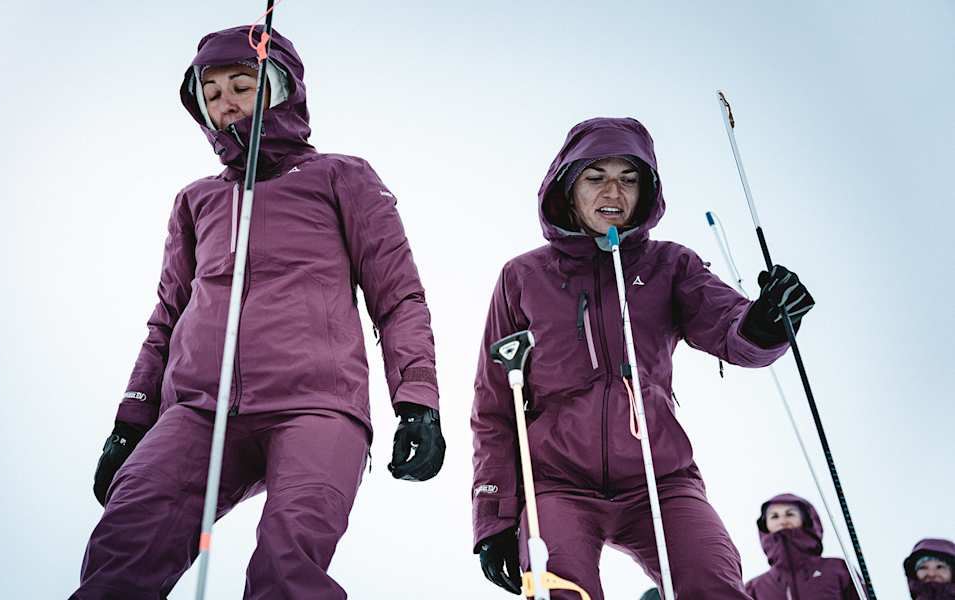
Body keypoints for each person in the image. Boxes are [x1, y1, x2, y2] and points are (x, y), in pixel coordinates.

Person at [72, 25, 444, 600]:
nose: (226, 100)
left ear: (280, 89)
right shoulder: (197, 200)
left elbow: (398, 298)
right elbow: (167, 317)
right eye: (211, 91)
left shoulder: (340, 177)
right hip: (198, 409)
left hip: (317, 406)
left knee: (288, 562)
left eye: (242, 84)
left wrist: (417, 401)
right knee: (126, 538)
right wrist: (130, 421)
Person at [471, 117, 815, 599]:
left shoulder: (670, 265)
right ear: (567, 187)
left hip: (661, 480)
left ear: (646, 190)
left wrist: (765, 325)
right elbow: (493, 408)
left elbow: (733, 333)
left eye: (629, 178)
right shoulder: (523, 277)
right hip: (557, 484)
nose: (613, 190)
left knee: (713, 582)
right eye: (596, 177)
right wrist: (494, 519)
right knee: (560, 589)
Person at [744, 493, 858, 599]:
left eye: (790, 514)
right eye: (774, 516)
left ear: (806, 519)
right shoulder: (755, 588)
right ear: (765, 525)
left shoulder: (838, 569)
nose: (783, 521)